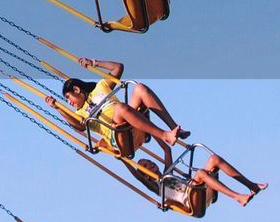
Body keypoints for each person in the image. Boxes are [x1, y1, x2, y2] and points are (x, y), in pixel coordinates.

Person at [49, 58, 188, 163]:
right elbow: (79, 126)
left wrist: (94, 63)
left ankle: (174, 127)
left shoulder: (101, 87)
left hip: (130, 122)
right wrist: (58, 108)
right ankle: (164, 135)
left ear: (76, 90)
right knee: (121, 108)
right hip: (120, 137)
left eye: (68, 97)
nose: (69, 102)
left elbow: (118, 68)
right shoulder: (78, 114)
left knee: (139, 88)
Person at [129, 147, 268, 207]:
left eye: (148, 161)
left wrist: (158, 132)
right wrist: (121, 157)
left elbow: (167, 149)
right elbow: (136, 175)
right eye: (146, 166)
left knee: (214, 159)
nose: (150, 163)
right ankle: (237, 197)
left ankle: (252, 186)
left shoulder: (167, 173)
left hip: (198, 190)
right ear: (146, 177)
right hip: (192, 202)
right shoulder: (156, 186)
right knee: (201, 173)